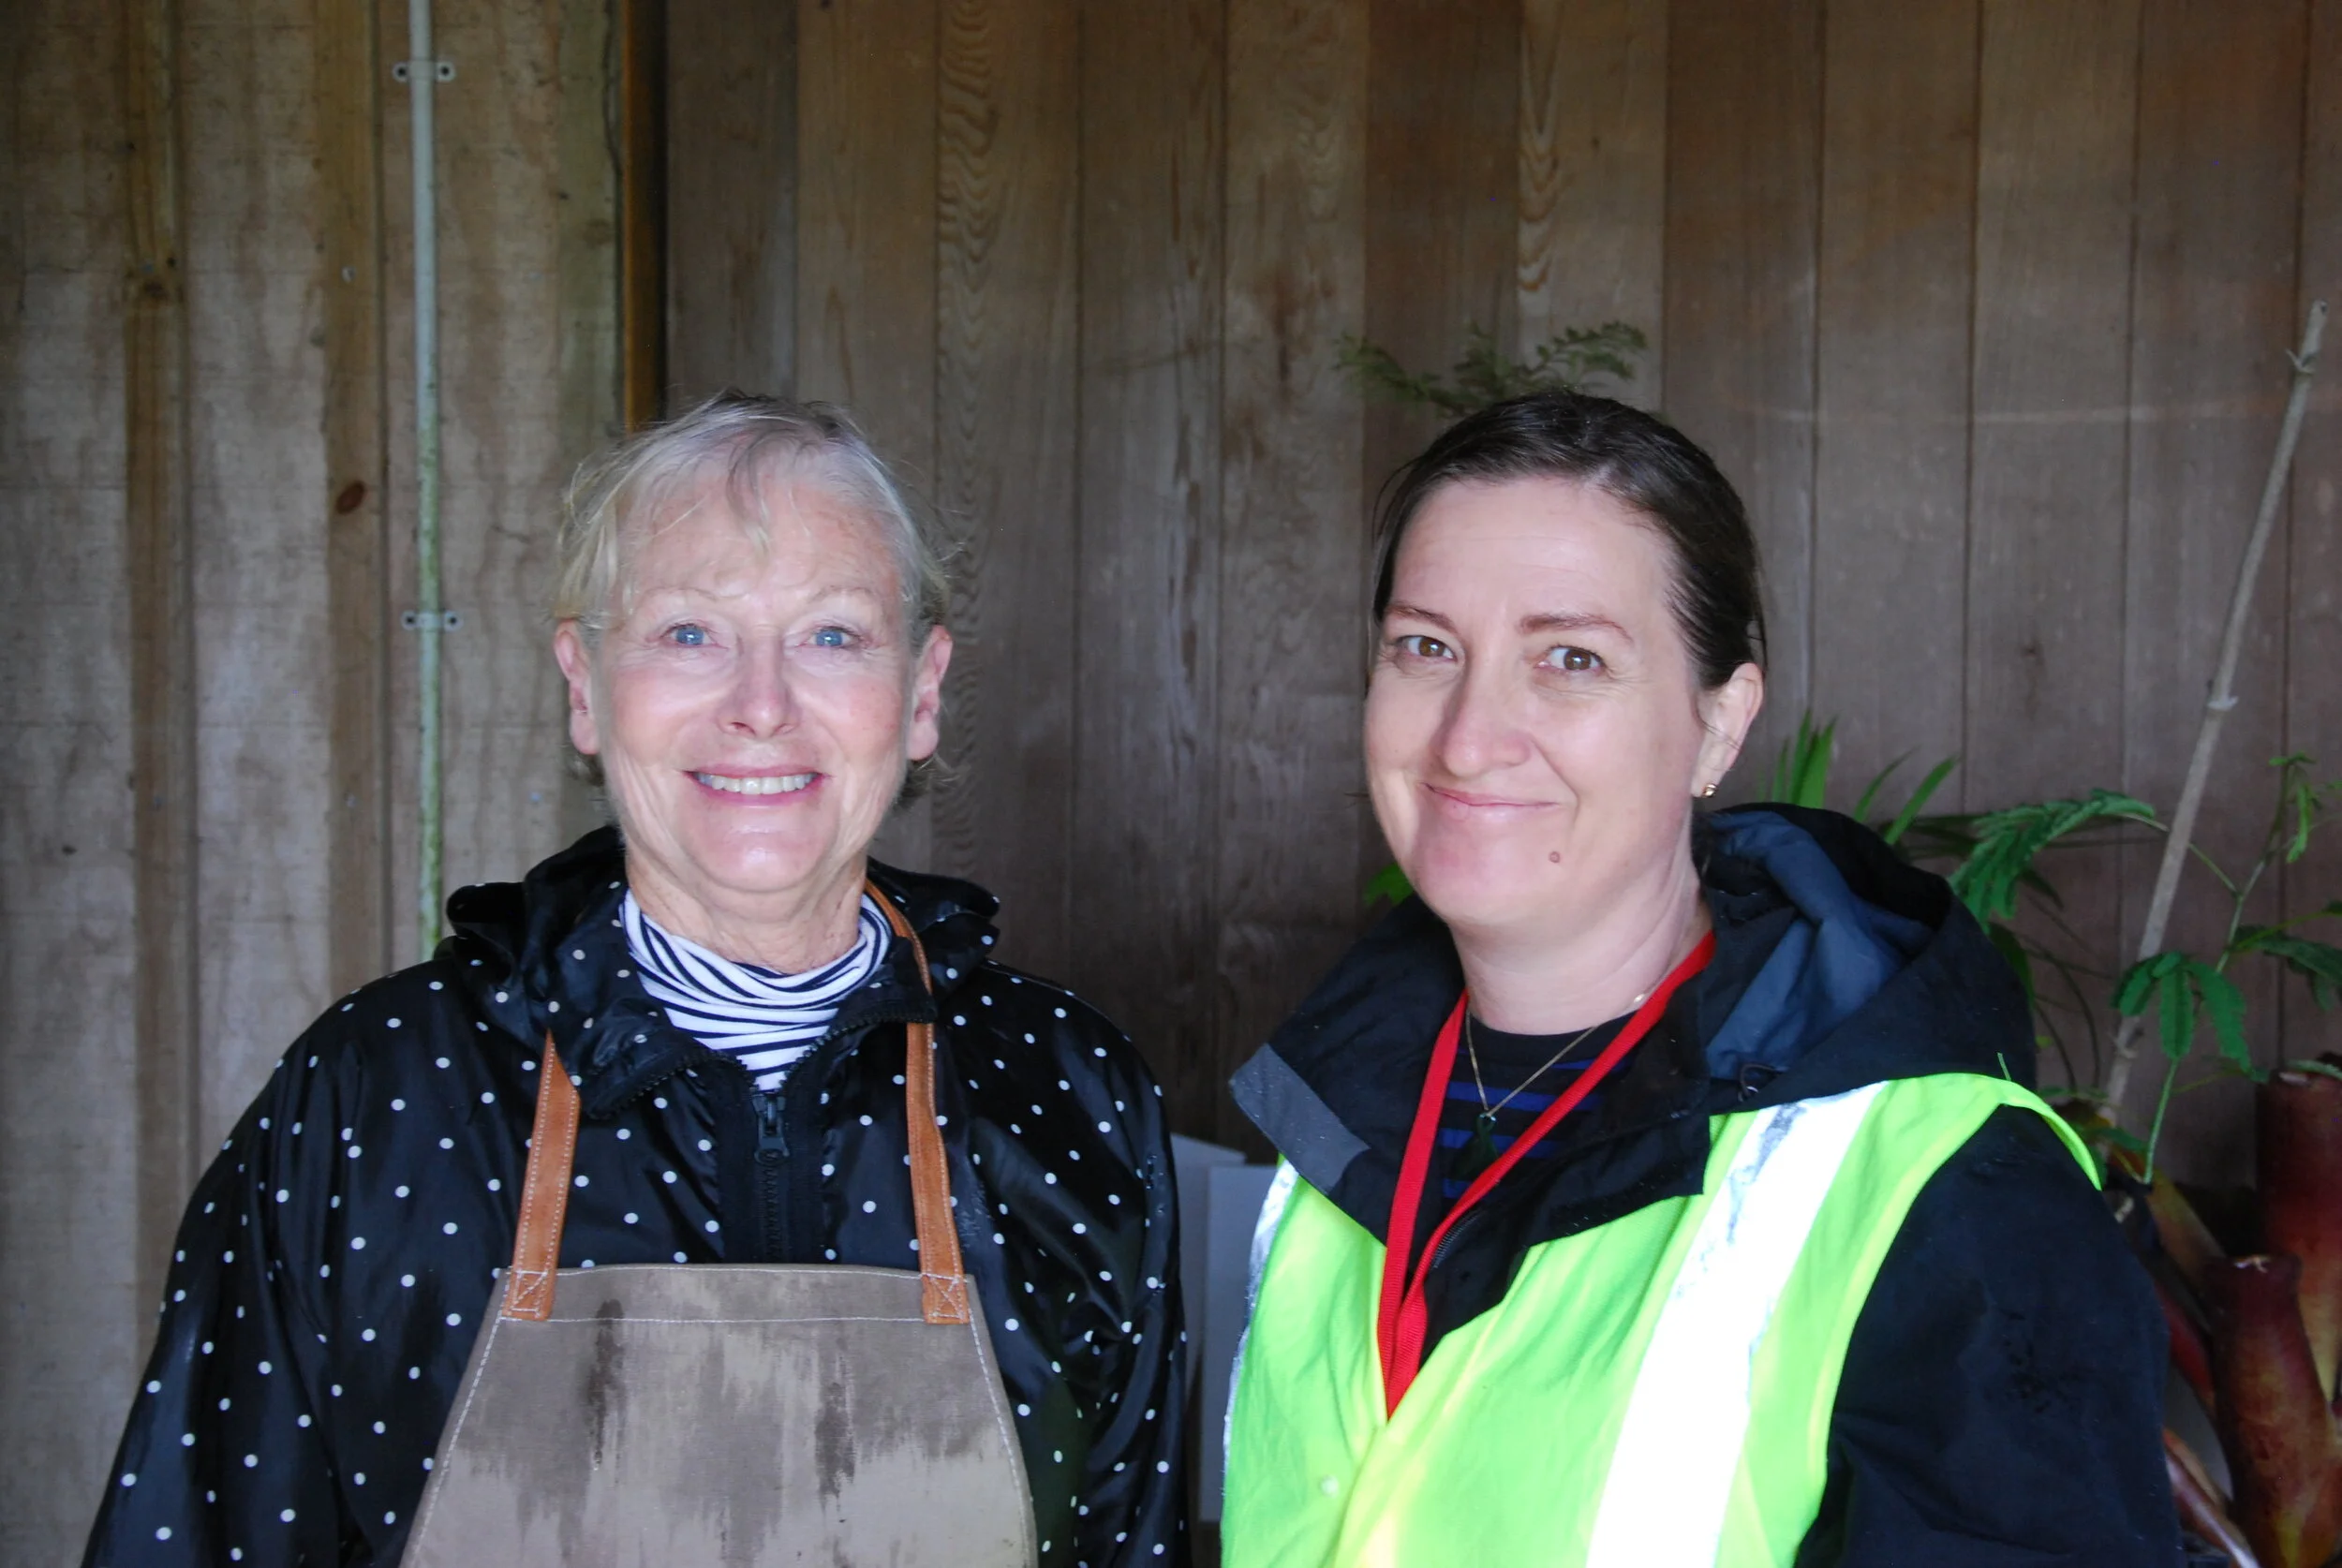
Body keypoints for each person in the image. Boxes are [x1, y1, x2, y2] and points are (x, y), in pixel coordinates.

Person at [85, 393, 1187, 1567]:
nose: (760, 707)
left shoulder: (1072, 1091)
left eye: (831, 636)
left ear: (920, 693)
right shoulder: (372, 1097)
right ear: (584, 685)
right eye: (688, 633)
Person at [1221, 392, 2177, 1566]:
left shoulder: (1950, 1190)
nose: (1467, 737)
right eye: (1426, 647)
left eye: (1570, 659)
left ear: (1719, 725)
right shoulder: (1342, 1109)